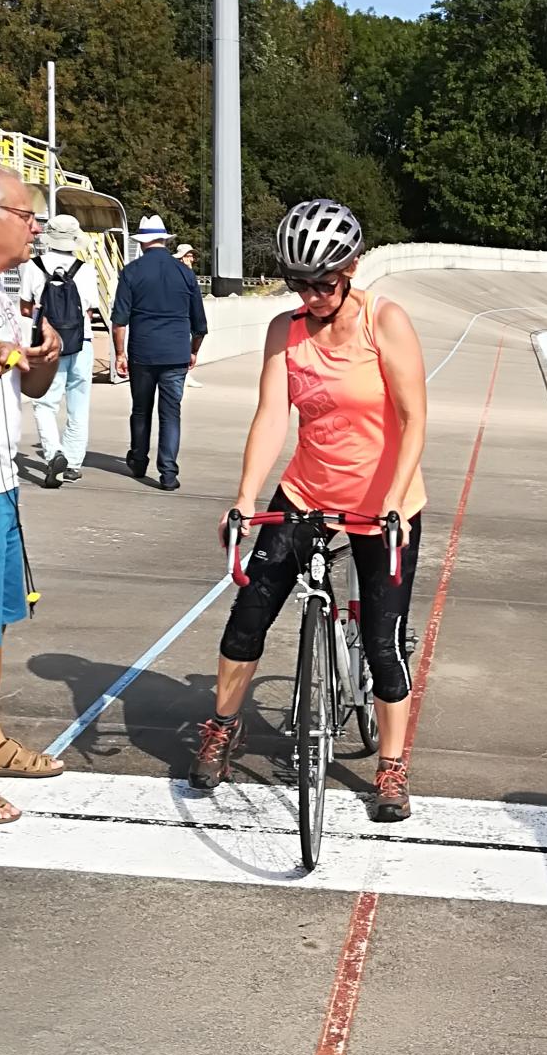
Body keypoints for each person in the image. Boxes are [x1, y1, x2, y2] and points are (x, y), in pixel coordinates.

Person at [190, 198, 427, 823]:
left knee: (383, 643)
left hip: (384, 506)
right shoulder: (286, 331)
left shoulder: (386, 322)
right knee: (249, 614)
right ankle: (222, 726)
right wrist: (244, 499)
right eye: (300, 283)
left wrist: (398, 501)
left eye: (324, 282)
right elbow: (273, 416)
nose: (313, 295)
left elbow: (413, 417)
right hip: (305, 494)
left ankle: (392, 767)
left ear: (350, 269)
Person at [0, 163, 64, 826]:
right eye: (27, 215)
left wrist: (41, 360)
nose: (36, 226)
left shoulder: (1, 286)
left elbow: (19, 383)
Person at [110, 213, 208, 489]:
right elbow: (200, 324)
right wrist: (193, 351)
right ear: (164, 240)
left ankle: (139, 461)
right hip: (176, 353)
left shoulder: (131, 272)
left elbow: (119, 320)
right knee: (170, 413)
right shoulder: (185, 273)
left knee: (141, 410)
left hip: (142, 352)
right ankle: (168, 474)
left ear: (142, 242)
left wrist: (120, 354)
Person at [18, 212, 99, 487]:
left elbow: (26, 308)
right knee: (79, 405)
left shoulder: (33, 266)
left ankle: (54, 455)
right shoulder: (85, 269)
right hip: (82, 342)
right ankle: (74, 464)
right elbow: (88, 310)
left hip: (46, 344)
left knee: (45, 403)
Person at [174, 245, 204, 388]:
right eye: (188, 255)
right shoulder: (182, 274)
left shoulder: (189, 274)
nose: (191, 259)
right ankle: (183, 375)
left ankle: (185, 374)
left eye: (192, 256)